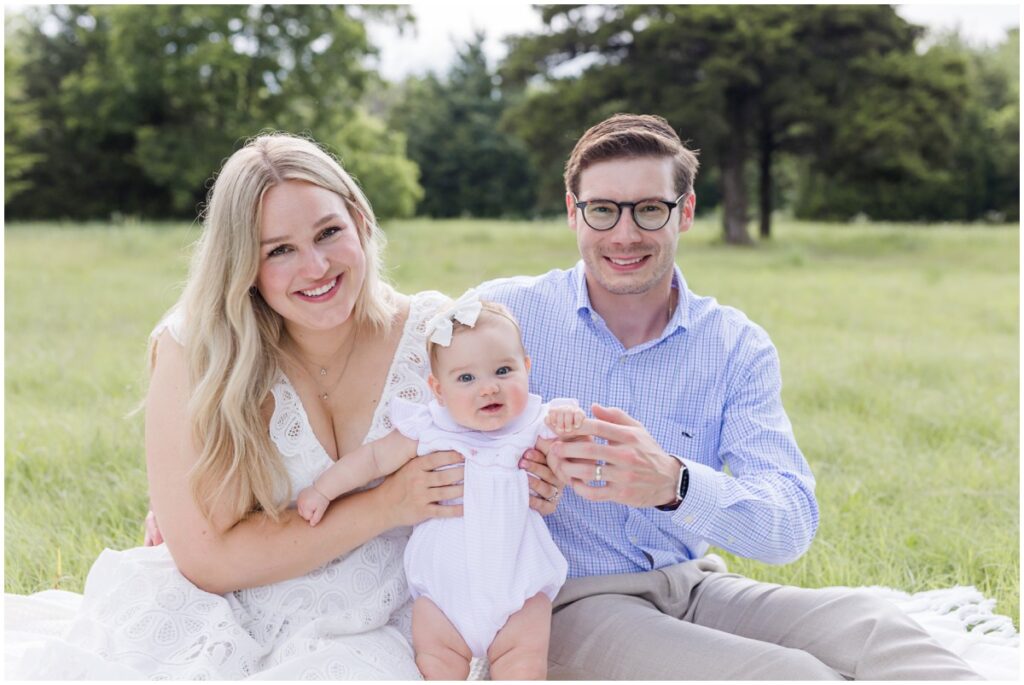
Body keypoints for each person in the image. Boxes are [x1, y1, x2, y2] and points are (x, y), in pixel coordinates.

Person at [4, 133, 564, 680]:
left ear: (361, 223)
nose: (316, 267)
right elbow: (208, 561)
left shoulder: (440, 336)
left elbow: (513, 433)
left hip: (405, 611)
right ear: (244, 263)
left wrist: (539, 474)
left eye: (328, 233)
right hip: (238, 603)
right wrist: (388, 504)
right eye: (280, 251)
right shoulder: (201, 350)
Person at [477, 113, 983, 680]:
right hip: (564, 603)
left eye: (649, 209)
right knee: (788, 675)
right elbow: (420, 424)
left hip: (693, 585)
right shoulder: (504, 316)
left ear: (685, 212)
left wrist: (675, 483)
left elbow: (789, 523)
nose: (624, 234)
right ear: (574, 213)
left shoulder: (735, 345)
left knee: (878, 631)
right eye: (602, 209)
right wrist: (512, 471)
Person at [294, 293, 583, 679]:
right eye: (466, 378)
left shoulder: (533, 424)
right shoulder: (430, 427)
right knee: (436, 665)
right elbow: (375, 459)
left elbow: (569, 459)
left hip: (519, 592)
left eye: (503, 371)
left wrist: (568, 420)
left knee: (524, 665)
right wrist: (323, 489)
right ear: (438, 390)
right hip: (443, 598)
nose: (488, 388)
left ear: (526, 368)